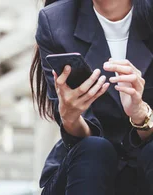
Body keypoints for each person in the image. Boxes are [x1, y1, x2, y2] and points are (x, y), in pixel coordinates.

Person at [30, 0, 153, 194]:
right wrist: (70, 118)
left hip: (145, 163)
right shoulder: (55, 22)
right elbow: (83, 139)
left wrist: (141, 115)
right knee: (94, 150)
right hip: (86, 169)